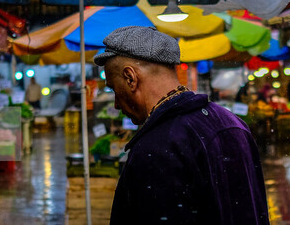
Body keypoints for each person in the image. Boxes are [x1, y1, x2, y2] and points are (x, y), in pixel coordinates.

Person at [94, 26, 269, 224]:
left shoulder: (157, 146)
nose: (116, 103)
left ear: (130, 77)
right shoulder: (232, 123)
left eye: (114, 89)